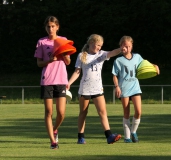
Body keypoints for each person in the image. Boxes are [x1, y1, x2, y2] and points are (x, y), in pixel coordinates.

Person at [67, 34, 122, 144]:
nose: (99, 48)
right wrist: (68, 83)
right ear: (91, 43)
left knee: (102, 112)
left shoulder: (101, 54)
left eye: (100, 46)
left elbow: (112, 53)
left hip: (97, 89)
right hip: (84, 89)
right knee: (83, 113)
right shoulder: (82, 55)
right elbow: (77, 72)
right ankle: (80, 137)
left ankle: (109, 136)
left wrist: (121, 49)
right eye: (97, 45)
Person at [112, 36, 160, 143]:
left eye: (129, 46)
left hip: (135, 88)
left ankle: (133, 131)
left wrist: (154, 66)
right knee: (126, 113)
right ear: (121, 46)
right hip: (124, 89)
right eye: (125, 46)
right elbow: (114, 75)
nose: (127, 48)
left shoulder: (137, 57)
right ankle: (127, 137)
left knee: (138, 111)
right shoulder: (118, 60)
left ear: (132, 46)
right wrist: (117, 87)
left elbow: (145, 65)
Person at [34, 16, 71, 149]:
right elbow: (39, 63)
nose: (50, 29)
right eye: (48, 26)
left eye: (53, 26)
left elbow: (68, 62)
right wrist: (49, 61)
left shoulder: (63, 40)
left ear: (57, 27)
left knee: (61, 113)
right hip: (47, 80)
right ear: (46, 28)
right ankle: (53, 142)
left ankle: (54, 129)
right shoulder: (41, 42)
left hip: (61, 79)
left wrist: (65, 55)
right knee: (48, 112)